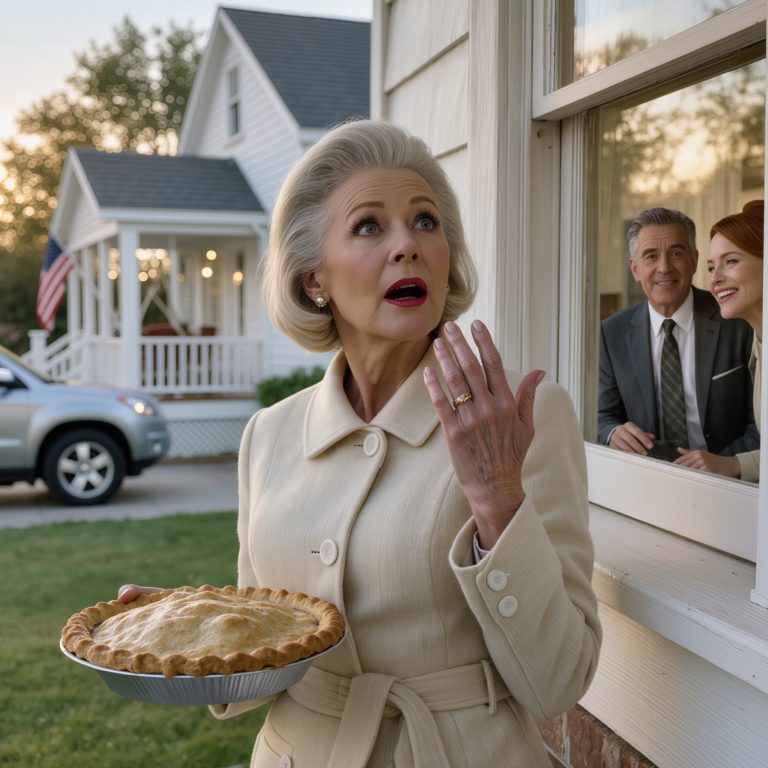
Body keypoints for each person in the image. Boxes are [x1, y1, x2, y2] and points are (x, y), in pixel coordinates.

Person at [119, 119, 601, 767]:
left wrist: (499, 503)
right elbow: (267, 636)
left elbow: (558, 682)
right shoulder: (268, 434)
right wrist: (192, 626)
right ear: (314, 279)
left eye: (426, 222)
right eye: (370, 226)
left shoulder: (522, 414)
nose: (407, 244)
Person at [598, 206, 758, 463]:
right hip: (647, 478)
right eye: (650, 256)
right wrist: (612, 432)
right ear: (635, 268)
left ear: (694, 260)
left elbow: (760, 424)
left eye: (676, 253)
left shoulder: (737, 319)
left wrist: (722, 465)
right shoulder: (611, 332)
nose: (664, 267)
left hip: (727, 482)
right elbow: (603, 415)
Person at [675, 201, 763, 480]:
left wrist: (736, 464)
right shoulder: (757, 344)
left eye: (731, 261)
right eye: (712, 267)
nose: (715, 279)